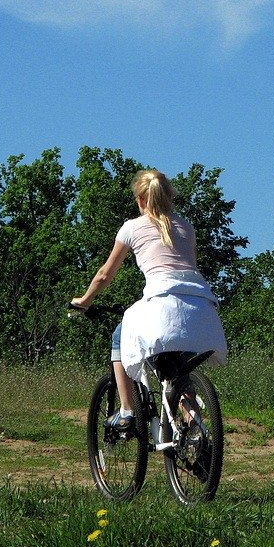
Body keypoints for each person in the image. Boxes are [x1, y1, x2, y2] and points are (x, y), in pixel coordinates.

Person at [72, 169, 227, 428]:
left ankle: (126, 411)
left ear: (141, 200)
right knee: (180, 370)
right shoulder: (186, 227)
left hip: (161, 305)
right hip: (200, 309)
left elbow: (104, 275)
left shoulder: (131, 228)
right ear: (169, 197)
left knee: (119, 337)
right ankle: (194, 427)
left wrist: (84, 300)